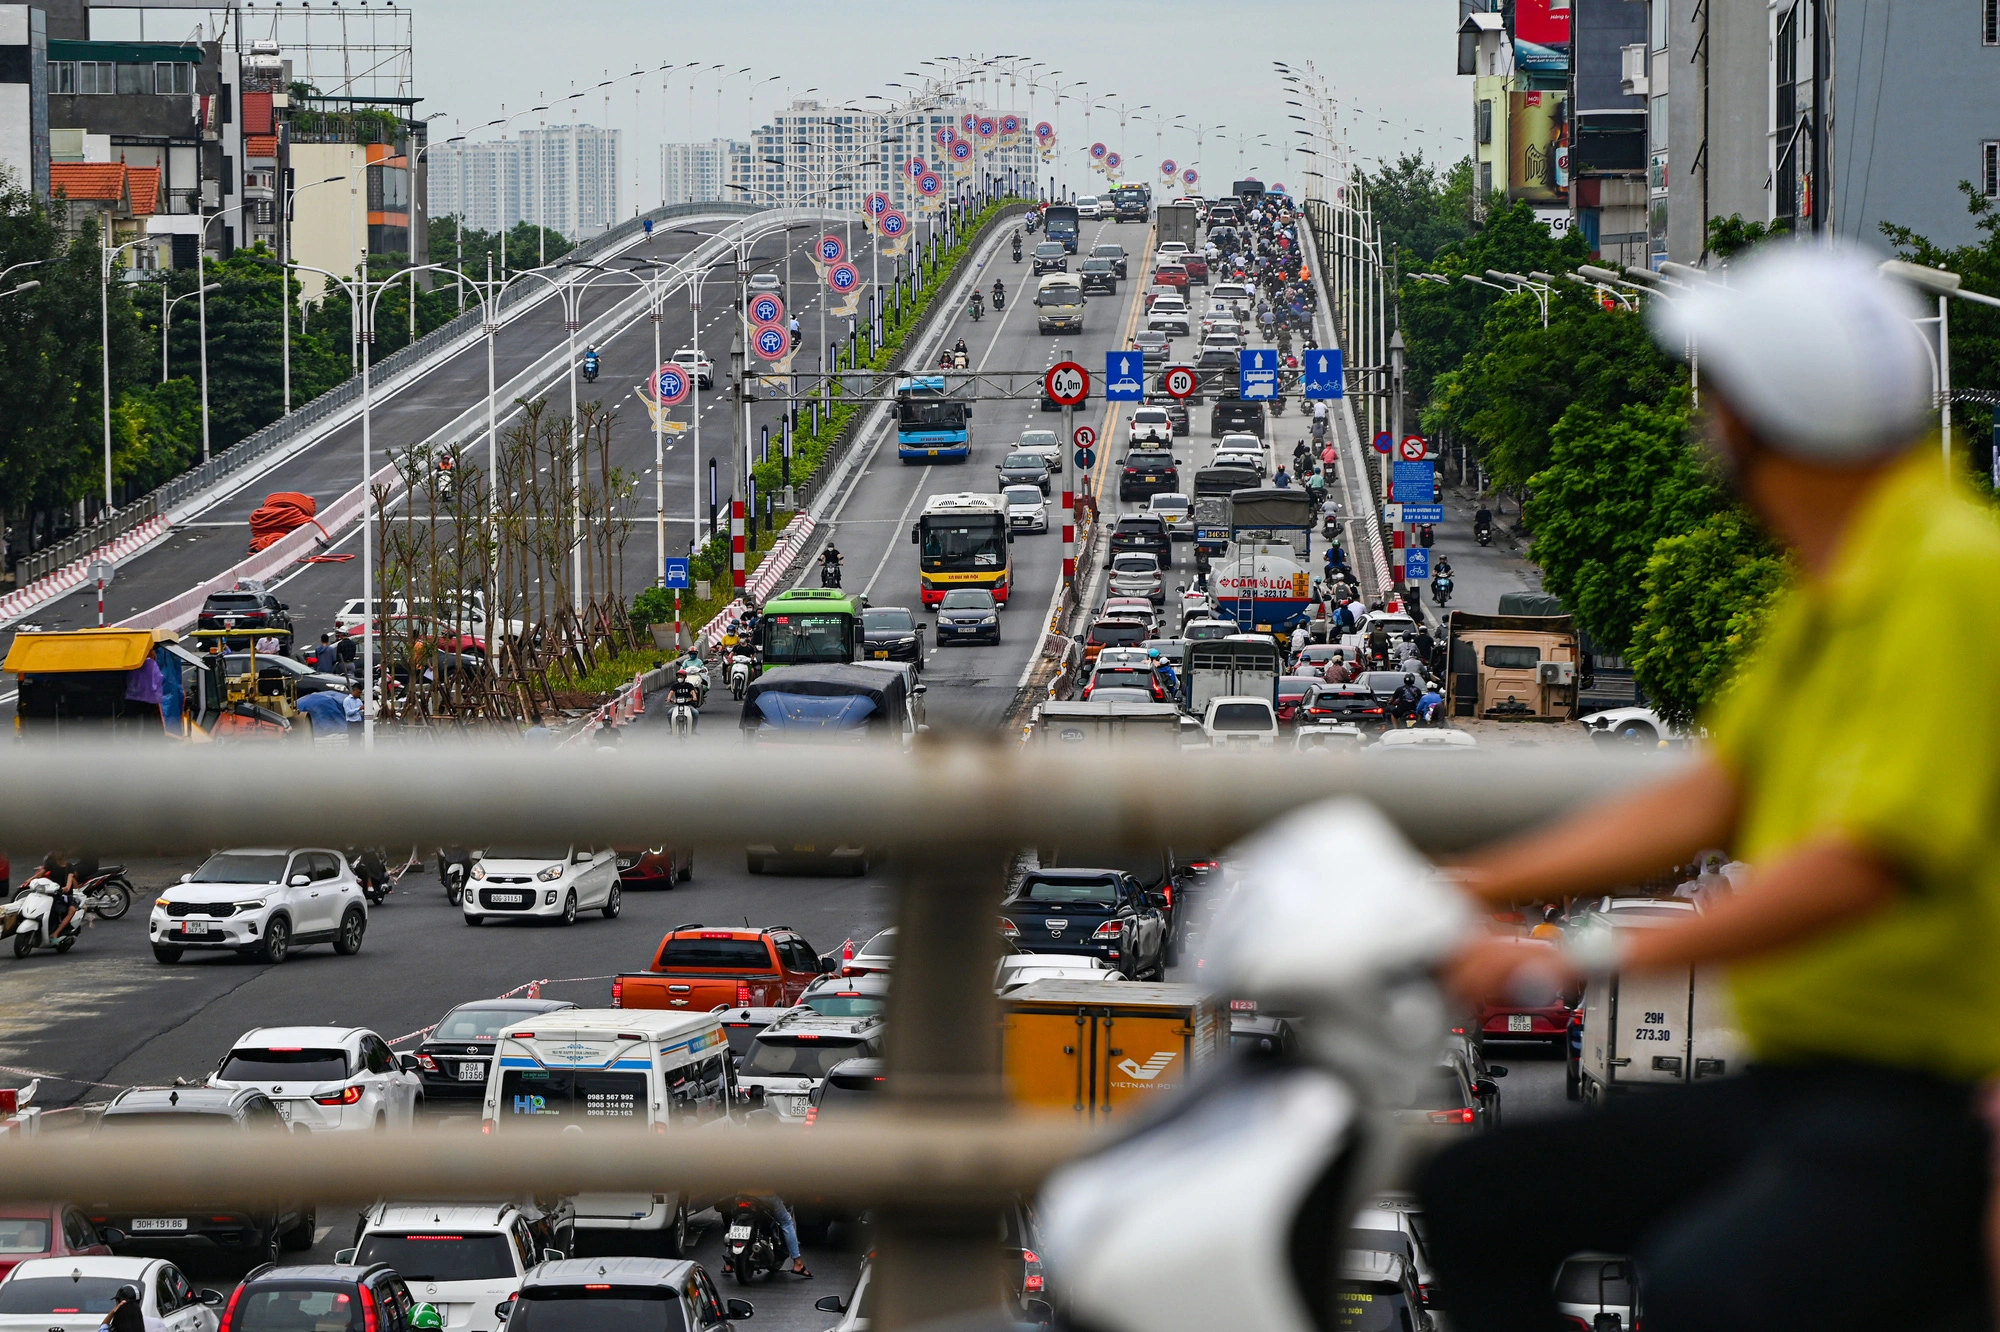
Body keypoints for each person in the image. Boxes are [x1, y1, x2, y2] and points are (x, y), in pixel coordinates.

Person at [1420, 245, 1998, 1332]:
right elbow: (1712, 798)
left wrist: (1574, 954)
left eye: (1717, 400)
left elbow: (1865, 860)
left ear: (1767, 417)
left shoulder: (1949, 575)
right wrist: (1472, 883)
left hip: (1915, 1102)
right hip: (1798, 1085)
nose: (1704, 429)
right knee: (1474, 1200)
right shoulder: (1833, 585)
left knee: (1703, 1293)